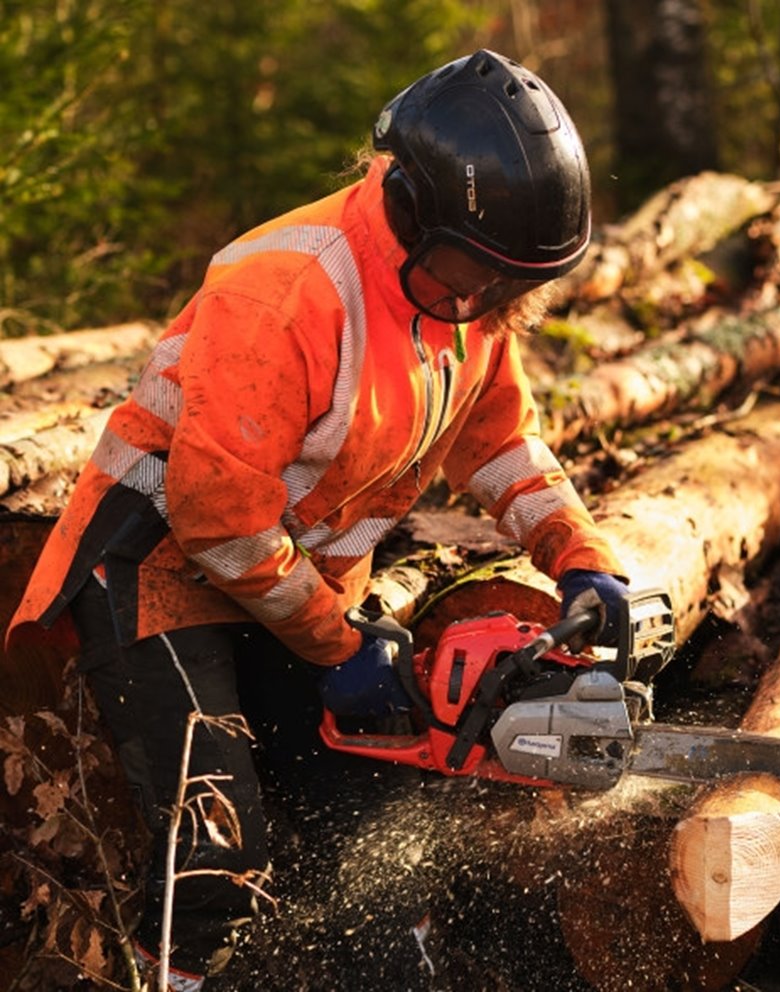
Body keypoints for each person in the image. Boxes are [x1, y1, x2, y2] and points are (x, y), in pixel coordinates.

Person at [6, 49, 629, 990]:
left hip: (295, 586)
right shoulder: (290, 293)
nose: (471, 304)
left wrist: (580, 556)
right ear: (412, 206)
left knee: (371, 815)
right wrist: (340, 647)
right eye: (463, 274)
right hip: (160, 570)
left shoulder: (467, 304)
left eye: (499, 287)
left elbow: (501, 445)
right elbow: (217, 517)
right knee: (217, 851)